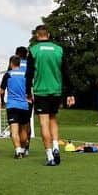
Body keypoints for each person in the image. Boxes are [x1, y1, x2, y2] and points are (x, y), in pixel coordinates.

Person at [27, 24, 75, 166]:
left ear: (37, 35)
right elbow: (66, 72)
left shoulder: (34, 50)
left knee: (44, 123)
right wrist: (70, 93)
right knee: (53, 119)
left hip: (41, 91)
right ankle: (55, 146)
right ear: (48, 35)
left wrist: (27, 92)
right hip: (56, 91)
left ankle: (49, 156)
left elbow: (29, 74)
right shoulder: (58, 50)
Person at [0, 55, 32, 159]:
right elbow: (29, 90)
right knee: (23, 130)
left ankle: (18, 151)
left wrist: (2, 101)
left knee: (14, 130)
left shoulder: (8, 75)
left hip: (12, 105)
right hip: (24, 105)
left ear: (11, 63)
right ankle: (22, 149)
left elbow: (2, 90)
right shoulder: (26, 75)